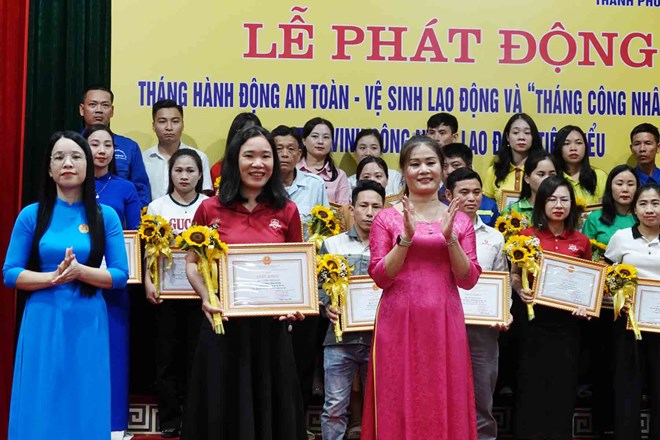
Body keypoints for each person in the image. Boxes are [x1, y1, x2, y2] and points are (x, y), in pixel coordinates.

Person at [181, 126, 307, 440]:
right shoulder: (210, 208)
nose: (258, 163)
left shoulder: (287, 211)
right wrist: (205, 297)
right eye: (249, 155)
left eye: (266, 156)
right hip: (223, 326)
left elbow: (298, 270)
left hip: (270, 333)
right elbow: (192, 264)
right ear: (235, 161)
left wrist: (296, 304)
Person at [3, 131, 128, 439]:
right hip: (43, 318)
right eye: (58, 157)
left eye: (75, 156)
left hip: (88, 319)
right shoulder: (31, 215)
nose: (67, 163)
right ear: (49, 169)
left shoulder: (105, 216)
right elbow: (10, 273)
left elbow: (119, 276)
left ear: (88, 165)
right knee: (42, 394)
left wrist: (79, 272)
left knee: (85, 395)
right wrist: (53, 278)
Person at [362, 135, 482, 439]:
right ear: (404, 171)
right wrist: (406, 238)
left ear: (442, 168)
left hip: (445, 320)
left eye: (430, 162)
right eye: (415, 164)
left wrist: (450, 238)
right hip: (397, 320)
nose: (423, 170)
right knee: (397, 393)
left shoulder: (459, 220)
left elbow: (468, 280)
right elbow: (380, 277)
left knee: (445, 392)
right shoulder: (387, 218)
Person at [512, 176, 592, 440]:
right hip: (534, 323)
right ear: (541, 203)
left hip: (568, 325)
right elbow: (515, 274)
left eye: (564, 199)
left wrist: (585, 305)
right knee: (530, 385)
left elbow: (588, 283)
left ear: (572, 204)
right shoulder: (526, 236)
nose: (558, 205)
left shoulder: (581, 241)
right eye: (552, 199)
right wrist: (518, 289)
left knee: (562, 386)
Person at [144, 148, 209, 438]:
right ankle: (170, 418)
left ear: (200, 174)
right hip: (167, 293)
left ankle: (197, 416)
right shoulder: (157, 207)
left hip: (201, 295)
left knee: (198, 357)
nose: (184, 176)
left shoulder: (209, 206)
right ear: (170, 174)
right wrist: (148, 280)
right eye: (178, 170)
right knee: (167, 357)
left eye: (190, 171)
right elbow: (147, 249)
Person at [84, 124, 141, 436]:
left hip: (114, 286)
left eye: (107, 144)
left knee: (114, 354)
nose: (101, 150)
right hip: (75, 282)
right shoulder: (70, 189)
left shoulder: (125, 188)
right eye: (94, 144)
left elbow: (135, 236)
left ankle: (115, 426)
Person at [444, 168, 509, 440]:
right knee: (444, 394)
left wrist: (503, 312)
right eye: (464, 193)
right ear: (448, 195)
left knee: (482, 398)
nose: (472, 198)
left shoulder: (494, 237)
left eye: (477, 192)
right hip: (443, 325)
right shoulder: (435, 233)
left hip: (483, 329)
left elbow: (502, 282)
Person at [319, 180, 385, 440]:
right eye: (364, 205)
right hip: (338, 340)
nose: (370, 212)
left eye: (376, 206)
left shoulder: (394, 246)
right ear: (351, 209)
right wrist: (327, 306)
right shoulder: (333, 245)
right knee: (334, 407)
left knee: (380, 407)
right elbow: (320, 285)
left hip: (380, 341)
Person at [581, 164, 638, 438]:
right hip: (603, 305)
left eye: (630, 183)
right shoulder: (595, 220)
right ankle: (602, 425)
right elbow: (589, 259)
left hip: (639, 310)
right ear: (610, 188)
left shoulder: (646, 218)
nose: (625, 189)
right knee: (602, 364)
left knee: (631, 369)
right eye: (619, 183)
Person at [605, 183, 660, 440]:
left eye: (656, 203)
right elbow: (607, 276)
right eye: (644, 204)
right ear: (634, 210)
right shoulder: (621, 238)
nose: (650, 210)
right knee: (628, 386)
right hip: (628, 322)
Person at [79, 85, 151, 207]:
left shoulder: (129, 147)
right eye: (93, 105)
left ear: (112, 111)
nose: (99, 110)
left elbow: (141, 191)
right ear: (82, 109)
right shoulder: (71, 145)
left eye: (105, 105)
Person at [142, 99, 213, 201]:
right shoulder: (143, 159)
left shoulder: (199, 157)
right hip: (151, 215)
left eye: (175, 121)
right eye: (162, 121)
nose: (169, 127)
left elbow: (204, 197)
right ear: (153, 126)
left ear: (183, 125)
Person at [483, 113, 544, 204]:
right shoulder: (494, 171)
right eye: (515, 133)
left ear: (533, 138)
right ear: (508, 137)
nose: (521, 137)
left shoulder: (541, 170)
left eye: (527, 133)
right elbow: (486, 206)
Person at [273, 124, 329, 223]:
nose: (285, 154)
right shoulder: (262, 185)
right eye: (279, 149)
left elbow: (326, 226)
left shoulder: (315, 185)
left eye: (290, 149)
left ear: (299, 155)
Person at [439, 142, 500, 226]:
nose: (449, 171)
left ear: (469, 167)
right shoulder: (433, 201)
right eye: (444, 166)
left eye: (455, 165)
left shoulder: (488, 206)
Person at [297, 117, 350, 204]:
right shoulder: (293, 170)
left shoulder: (339, 176)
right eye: (315, 136)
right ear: (304, 141)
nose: (320, 141)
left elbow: (343, 211)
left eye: (326, 137)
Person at [551, 125, 607, 205]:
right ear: (559, 148)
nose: (573, 148)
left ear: (585, 147)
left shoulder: (599, 176)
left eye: (578, 143)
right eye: (566, 143)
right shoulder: (553, 176)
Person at [501, 152, 558, 222]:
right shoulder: (511, 211)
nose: (547, 179)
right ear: (527, 178)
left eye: (552, 174)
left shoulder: (561, 208)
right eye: (541, 174)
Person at [347, 128, 403, 195]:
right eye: (362, 148)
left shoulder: (394, 178)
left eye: (373, 148)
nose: (368, 153)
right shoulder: (349, 183)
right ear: (355, 152)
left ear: (381, 152)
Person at [211, 112, 262, 181]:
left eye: (253, 133)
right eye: (243, 133)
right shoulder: (217, 170)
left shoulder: (264, 168)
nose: (248, 138)